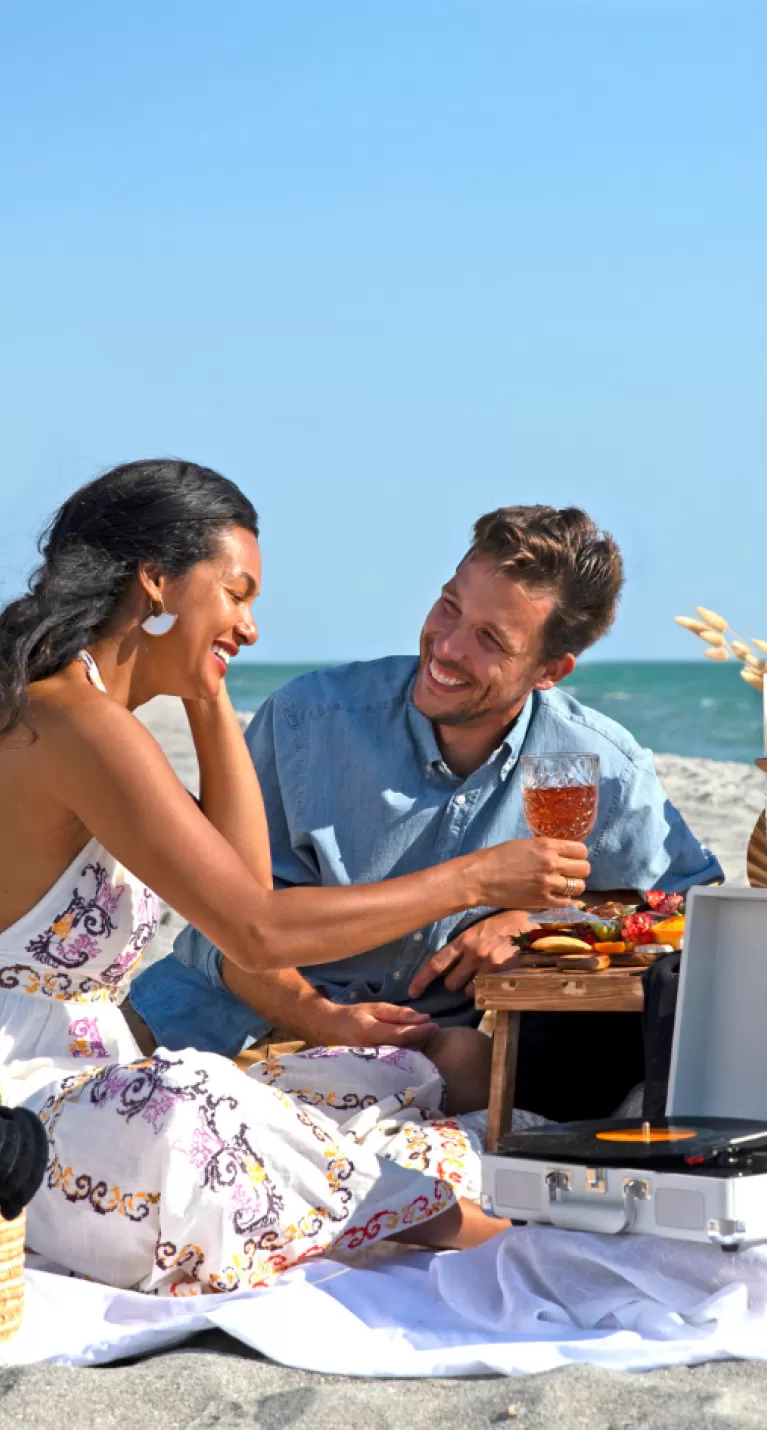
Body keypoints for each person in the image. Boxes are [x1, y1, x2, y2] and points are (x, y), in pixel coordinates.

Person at [0, 460, 591, 1294]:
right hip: (21, 1101)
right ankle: (503, 1243)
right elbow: (256, 931)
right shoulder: (73, 722)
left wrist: (208, 704)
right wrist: (475, 878)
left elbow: (242, 892)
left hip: (97, 1077)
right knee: (201, 1101)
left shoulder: (105, 720)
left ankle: (408, 1204)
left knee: (412, 1068)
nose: (248, 625)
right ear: (157, 583)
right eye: (236, 595)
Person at [130, 504, 723, 1122]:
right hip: (216, 1025)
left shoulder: (598, 762)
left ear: (550, 670)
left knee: (472, 1072)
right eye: (449, 606)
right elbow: (227, 927)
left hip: (412, 1063)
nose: (447, 645)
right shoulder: (308, 719)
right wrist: (318, 1019)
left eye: (490, 640)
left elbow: (686, 906)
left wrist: (535, 919)